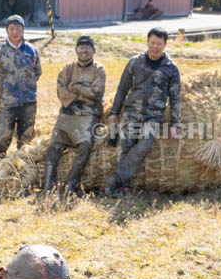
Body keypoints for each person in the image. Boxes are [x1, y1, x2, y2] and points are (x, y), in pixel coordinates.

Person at [105, 27, 181, 198]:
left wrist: (175, 124)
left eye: (159, 44)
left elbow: (175, 98)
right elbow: (122, 88)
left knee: (143, 147)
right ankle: (124, 187)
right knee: (125, 148)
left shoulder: (171, 68)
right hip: (131, 112)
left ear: (165, 45)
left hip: (153, 116)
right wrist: (114, 111)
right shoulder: (135, 62)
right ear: (147, 42)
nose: (155, 47)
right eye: (152, 43)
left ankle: (115, 179)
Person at [42, 36, 106, 196]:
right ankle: (48, 184)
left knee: (85, 145)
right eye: (81, 47)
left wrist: (75, 87)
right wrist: (83, 94)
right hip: (67, 113)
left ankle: (71, 185)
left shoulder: (99, 69)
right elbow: (61, 92)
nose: (84, 50)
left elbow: (97, 93)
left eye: (87, 47)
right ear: (76, 49)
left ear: (94, 50)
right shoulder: (67, 69)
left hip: (88, 115)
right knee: (53, 146)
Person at [0, 14, 42, 162]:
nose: (14, 32)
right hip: (8, 102)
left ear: (23, 30)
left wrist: (27, 86)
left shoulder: (32, 50)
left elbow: (37, 72)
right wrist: (8, 88)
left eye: (18, 28)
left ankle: (24, 168)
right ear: (7, 30)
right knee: (2, 136)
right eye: (11, 29)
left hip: (28, 102)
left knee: (26, 139)